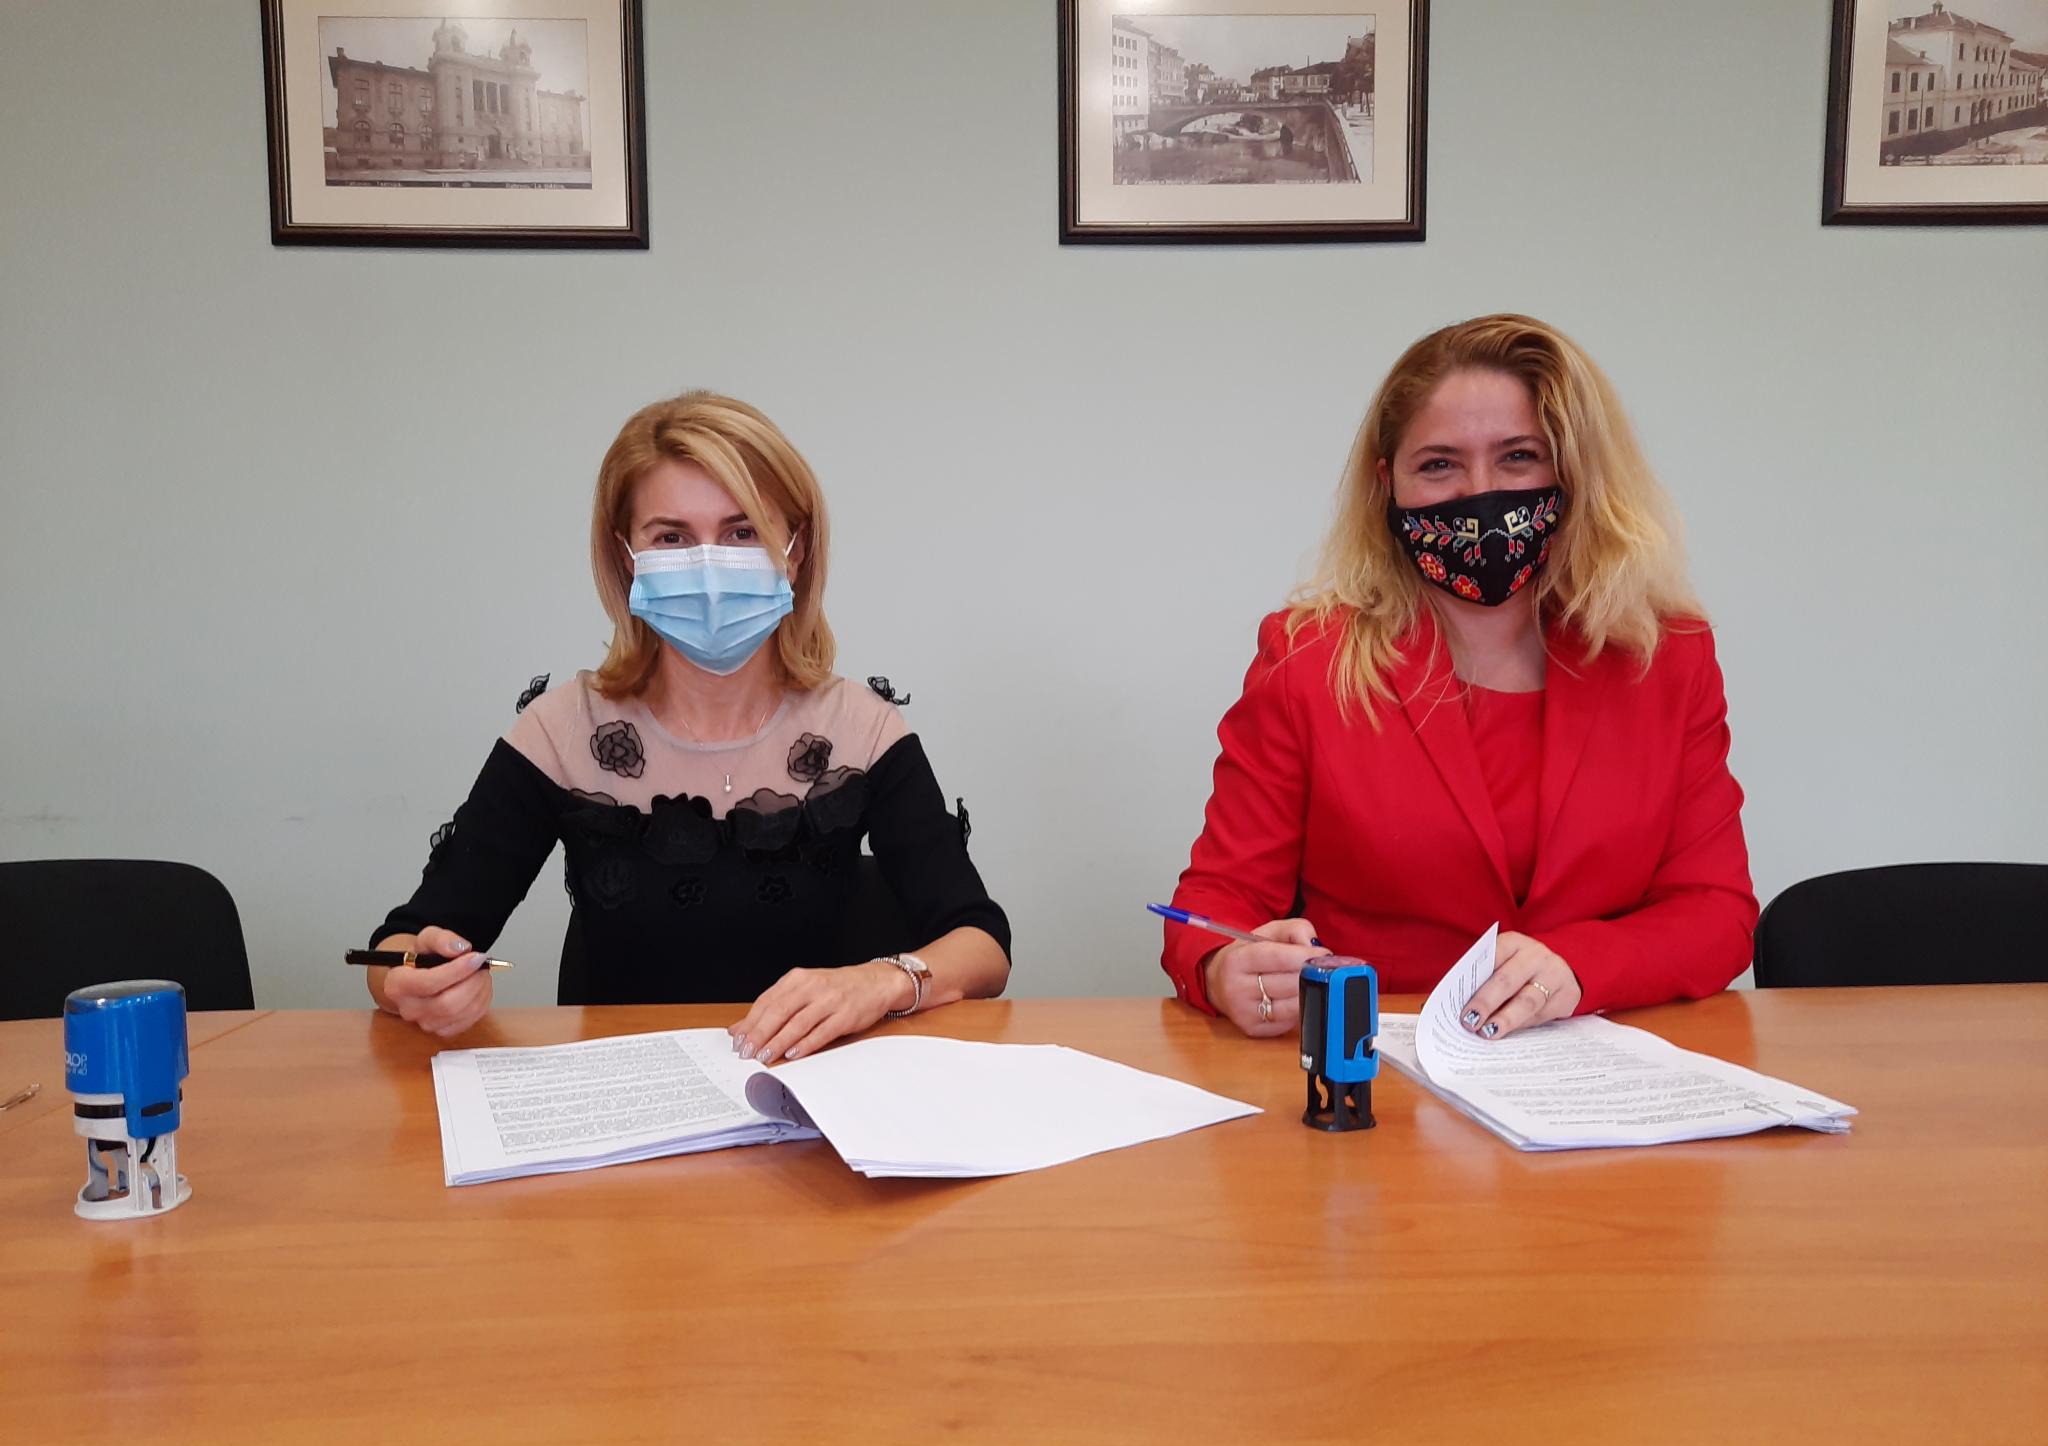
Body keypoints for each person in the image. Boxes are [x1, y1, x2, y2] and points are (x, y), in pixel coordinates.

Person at [1162, 314, 1755, 1042]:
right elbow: (1214, 903)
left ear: (1575, 473)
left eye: (1518, 458)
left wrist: (1580, 965)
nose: (1481, 495)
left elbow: (1717, 912)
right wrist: (1222, 966)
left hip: (1603, 1064)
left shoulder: (1666, 656)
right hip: (1384, 1066)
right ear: (1388, 485)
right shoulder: (1307, 659)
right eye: (1439, 465)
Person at [367, 391, 1010, 1063]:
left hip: (813, 1091)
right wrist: (413, 978)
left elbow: (981, 943)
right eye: (671, 538)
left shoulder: (861, 730)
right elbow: (401, 944)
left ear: (795, 550)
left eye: (742, 532)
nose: (709, 567)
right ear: (627, 556)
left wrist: (883, 981)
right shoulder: (561, 732)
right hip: (625, 1096)